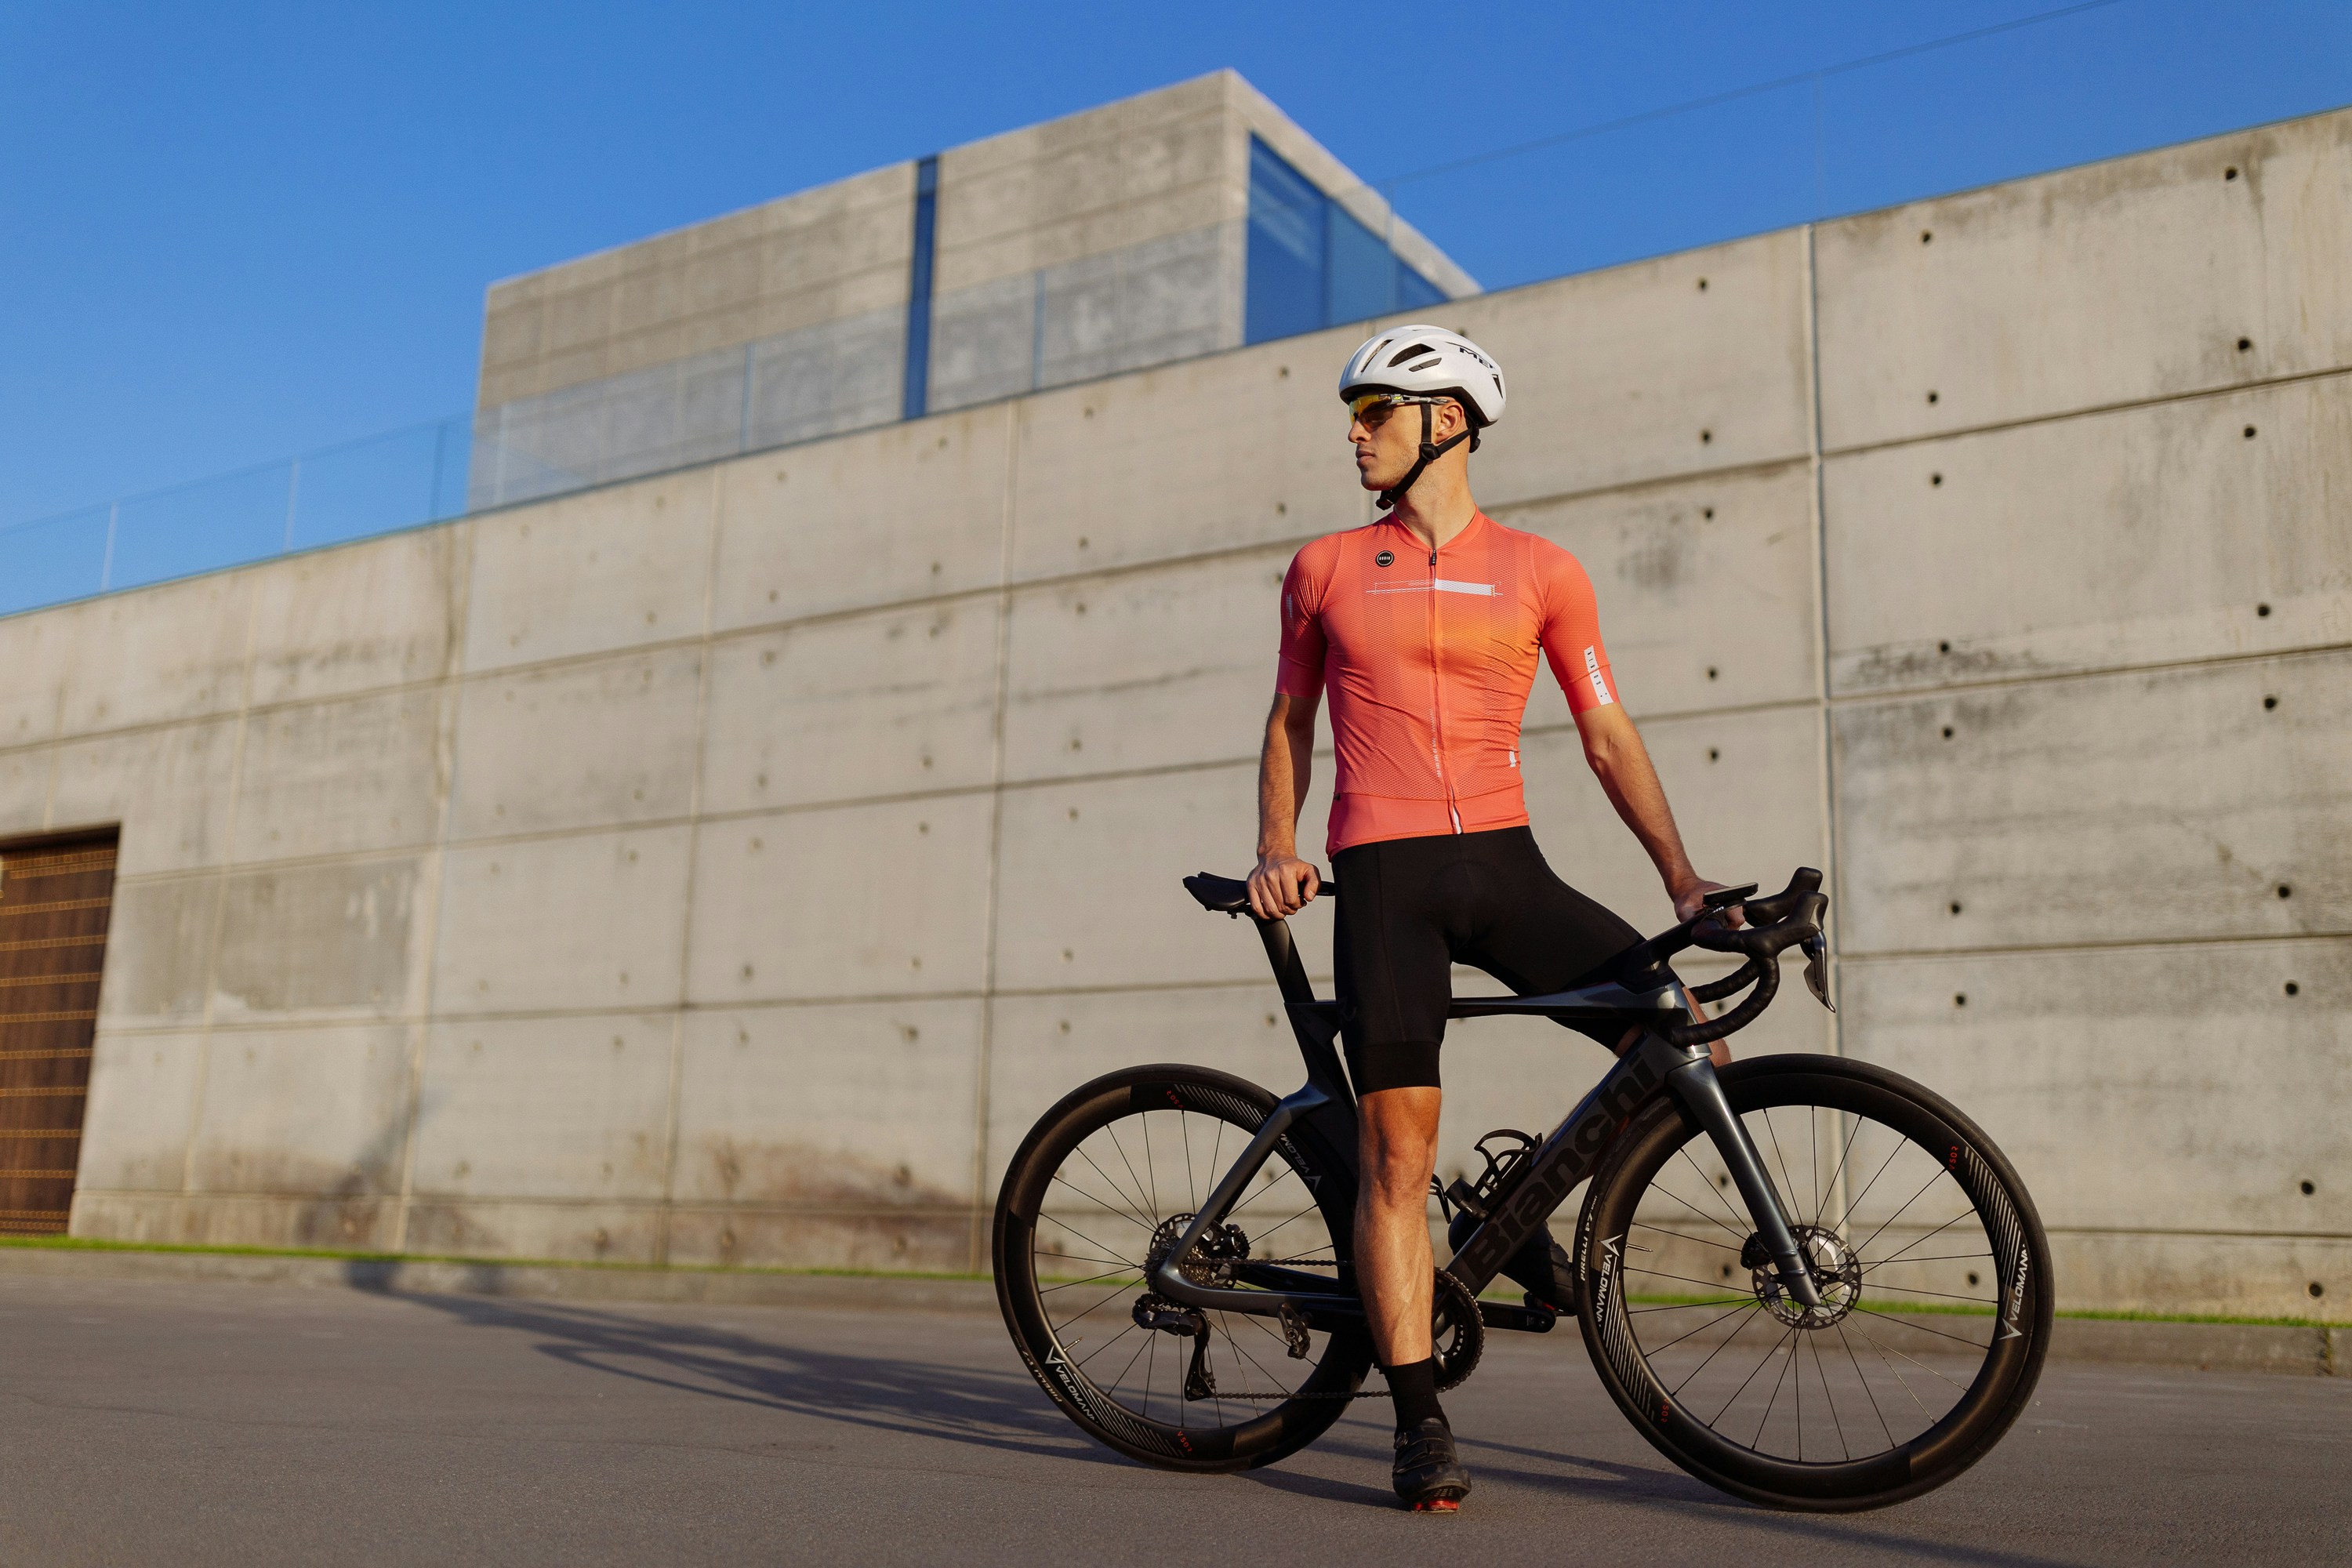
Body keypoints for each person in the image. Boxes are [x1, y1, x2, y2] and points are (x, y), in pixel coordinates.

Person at [1244, 325, 1740, 1512]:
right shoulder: (1324, 567)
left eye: (1377, 410)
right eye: (1354, 413)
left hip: (1507, 868)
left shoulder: (1541, 571)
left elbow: (1606, 730)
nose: (1355, 431)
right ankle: (1419, 1421)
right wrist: (1276, 847)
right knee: (1397, 1157)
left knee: (1687, 1040)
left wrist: (1682, 880)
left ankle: (1517, 1219)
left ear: (1450, 420)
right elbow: (1291, 718)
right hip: (1384, 878)